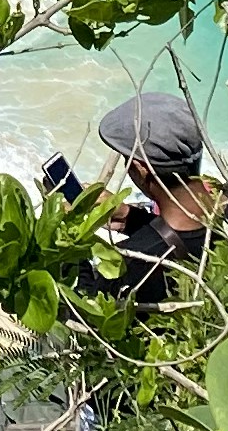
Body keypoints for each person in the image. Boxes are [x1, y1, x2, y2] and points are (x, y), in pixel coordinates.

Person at [92, 88, 221, 312]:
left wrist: (70, 237)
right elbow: (189, 237)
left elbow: (87, 310)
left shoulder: (132, 262)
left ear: (141, 169)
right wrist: (129, 218)